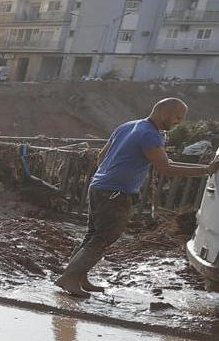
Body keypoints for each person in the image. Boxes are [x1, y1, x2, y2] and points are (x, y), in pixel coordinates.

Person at [55, 98, 214, 296]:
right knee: (103, 237)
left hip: (99, 187)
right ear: (164, 113)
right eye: (177, 118)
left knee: (93, 235)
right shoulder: (151, 135)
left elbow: (102, 157)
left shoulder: (128, 126)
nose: (179, 123)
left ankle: (78, 277)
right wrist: (206, 170)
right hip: (116, 193)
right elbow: (164, 167)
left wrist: (109, 175)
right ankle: (69, 278)